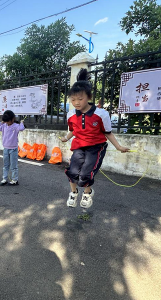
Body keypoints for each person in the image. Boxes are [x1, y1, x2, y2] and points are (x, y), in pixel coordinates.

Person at [61, 69, 129, 209]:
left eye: (80, 99)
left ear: (89, 97)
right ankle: (73, 193)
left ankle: (87, 192)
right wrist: (66, 138)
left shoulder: (101, 114)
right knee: (73, 170)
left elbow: (108, 133)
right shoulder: (71, 114)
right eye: (73, 99)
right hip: (79, 146)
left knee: (86, 172)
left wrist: (118, 147)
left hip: (96, 147)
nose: (77, 102)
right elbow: (73, 130)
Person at [0, 110, 25, 186]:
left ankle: (15, 180)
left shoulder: (16, 126)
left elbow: (21, 128)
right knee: (5, 165)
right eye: (6, 121)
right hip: (6, 148)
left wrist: (22, 122)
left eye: (8, 121)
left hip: (13, 149)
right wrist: (2, 122)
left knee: (13, 165)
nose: (7, 123)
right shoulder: (4, 125)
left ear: (13, 119)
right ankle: (4, 179)